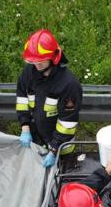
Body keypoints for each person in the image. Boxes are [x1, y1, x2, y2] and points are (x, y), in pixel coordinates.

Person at [15, 28, 82, 168]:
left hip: (61, 147)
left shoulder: (68, 84)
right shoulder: (29, 72)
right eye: (33, 61)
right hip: (36, 138)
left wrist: (54, 150)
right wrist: (25, 128)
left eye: (41, 61)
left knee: (60, 178)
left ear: (53, 57)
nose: (36, 65)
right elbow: (22, 98)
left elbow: (67, 123)